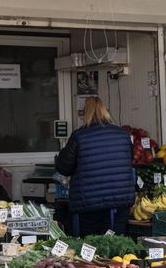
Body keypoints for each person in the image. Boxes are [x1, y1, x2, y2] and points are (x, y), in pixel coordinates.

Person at [54, 96, 134, 237]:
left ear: (85, 113)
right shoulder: (122, 134)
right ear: (105, 111)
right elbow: (129, 160)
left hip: (88, 203)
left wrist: (59, 157)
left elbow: (64, 168)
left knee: (89, 245)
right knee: (115, 243)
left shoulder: (79, 136)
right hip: (119, 202)